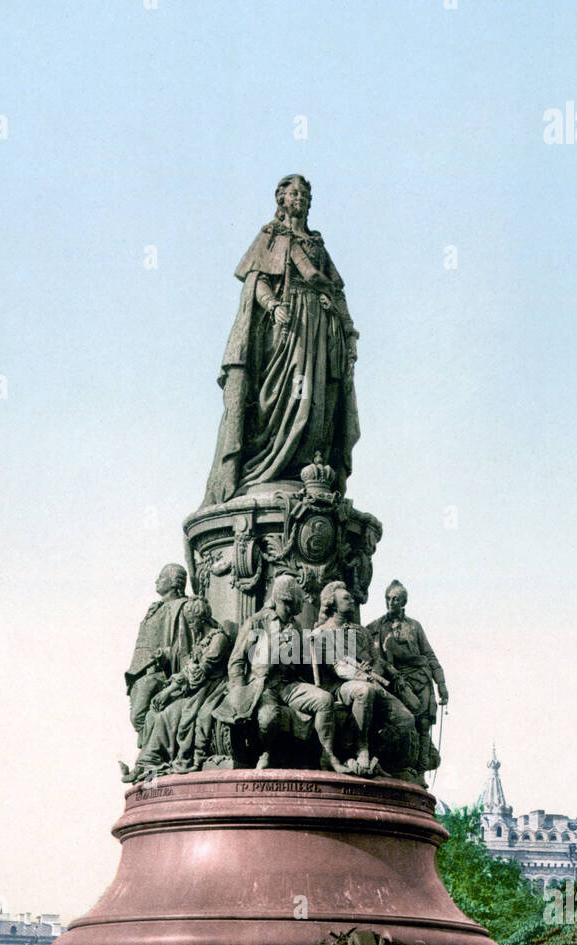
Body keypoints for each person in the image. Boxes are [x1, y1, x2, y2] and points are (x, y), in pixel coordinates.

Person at [202, 175, 360, 505]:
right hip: (289, 325)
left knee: (317, 396)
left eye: (305, 193)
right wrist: (273, 306)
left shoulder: (316, 244)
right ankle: (265, 466)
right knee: (281, 394)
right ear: (281, 199)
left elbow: (337, 290)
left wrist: (348, 330)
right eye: (294, 192)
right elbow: (257, 279)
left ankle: (306, 464)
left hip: (320, 328)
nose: (300, 197)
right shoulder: (271, 235)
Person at [218, 573, 348, 772]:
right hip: (263, 686)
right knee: (268, 717)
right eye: (292, 602)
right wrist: (238, 690)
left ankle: (328, 756)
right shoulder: (257, 622)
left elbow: (302, 664)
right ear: (282, 599)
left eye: (296, 603)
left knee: (324, 700)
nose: (295, 607)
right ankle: (267, 752)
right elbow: (237, 660)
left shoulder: (295, 625)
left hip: (289, 685)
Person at [313, 581, 417, 778]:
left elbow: (377, 659)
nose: (352, 600)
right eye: (346, 598)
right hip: (339, 687)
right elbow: (336, 667)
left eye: (351, 597)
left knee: (406, 719)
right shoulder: (321, 633)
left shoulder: (362, 632)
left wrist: (372, 670)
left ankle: (375, 757)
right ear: (332, 603)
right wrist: (358, 674)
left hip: (368, 680)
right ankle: (362, 748)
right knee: (364, 690)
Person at [134, 597, 231, 775]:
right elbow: (188, 670)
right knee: (163, 714)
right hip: (197, 689)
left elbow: (199, 672)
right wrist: (167, 691)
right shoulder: (201, 641)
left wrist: (172, 689)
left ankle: (187, 759)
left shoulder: (219, 640)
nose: (190, 625)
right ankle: (149, 762)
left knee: (188, 718)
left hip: (213, 688)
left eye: (192, 621)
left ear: (201, 619)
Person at [367, 581, 448, 775]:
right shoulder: (376, 627)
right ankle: (391, 764)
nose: (391, 602)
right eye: (388, 598)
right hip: (395, 682)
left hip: (420, 679)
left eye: (395, 599)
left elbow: (429, 655)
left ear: (404, 601)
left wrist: (441, 684)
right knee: (400, 722)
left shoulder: (414, 626)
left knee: (423, 726)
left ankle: (419, 773)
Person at [124, 563, 193, 742]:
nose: (156, 581)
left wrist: (166, 654)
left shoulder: (181, 607)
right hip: (139, 672)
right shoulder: (155, 608)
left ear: (174, 582)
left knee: (139, 717)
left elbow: (185, 646)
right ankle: (150, 756)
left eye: (161, 577)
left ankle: (154, 756)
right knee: (141, 719)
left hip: (156, 673)